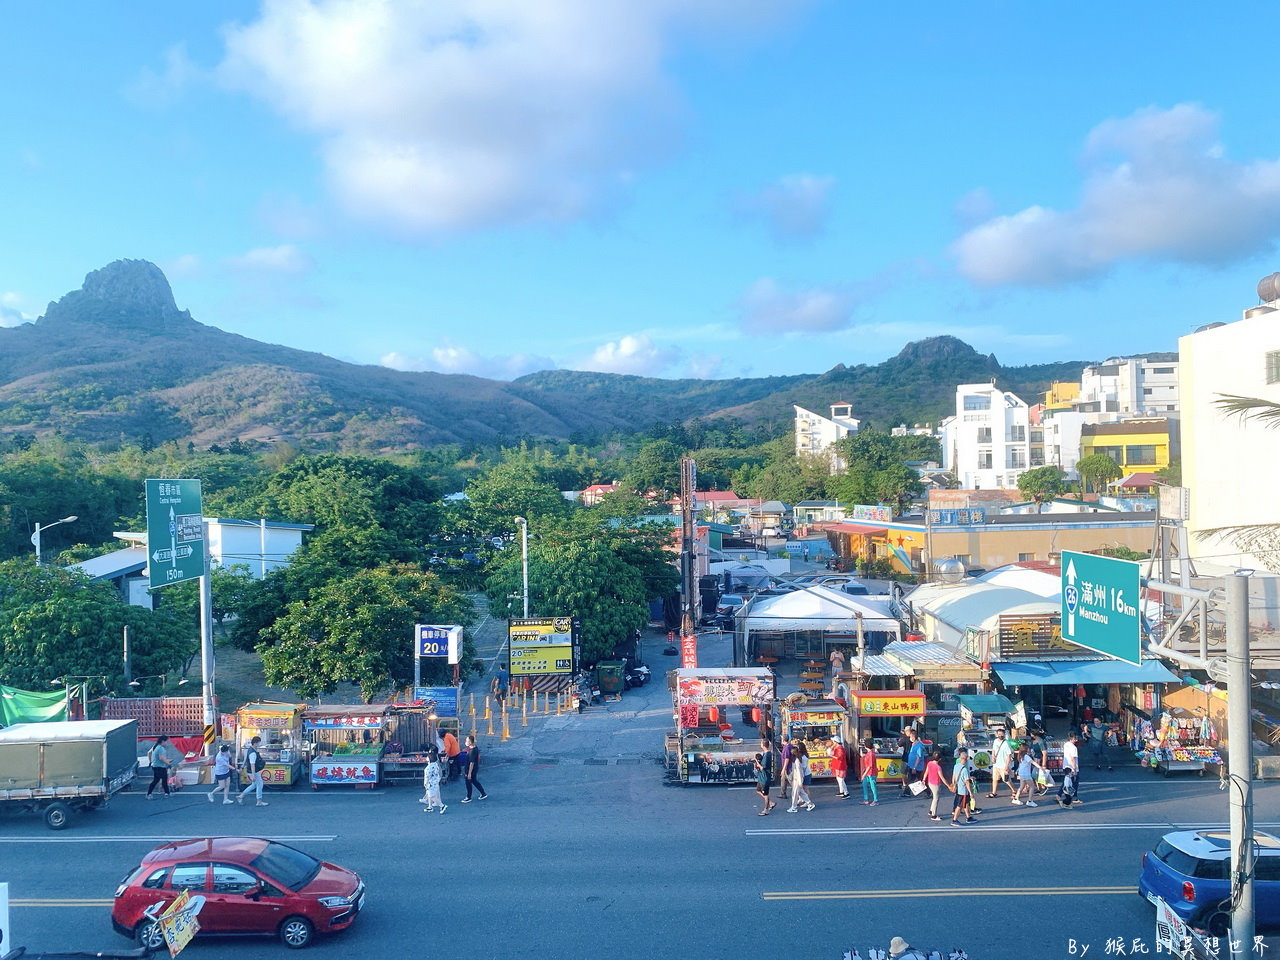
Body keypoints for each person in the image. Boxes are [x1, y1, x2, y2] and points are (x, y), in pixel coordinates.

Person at [237, 736, 268, 807]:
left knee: (254, 785)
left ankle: (241, 796)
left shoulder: (250, 749)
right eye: (259, 742)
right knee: (260, 784)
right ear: (255, 743)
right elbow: (252, 764)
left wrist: (242, 767)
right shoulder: (253, 753)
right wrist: (253, 775)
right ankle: (259, 801)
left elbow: (245, 759)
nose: (260, 744)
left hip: (251, 771)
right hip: (253, 771)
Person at [949, 747, 976, 825]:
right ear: (966, 758)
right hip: (963, 790)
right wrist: (971, 792)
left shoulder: (956, 766)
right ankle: (954, 820)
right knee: (960, 805)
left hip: (958, 788)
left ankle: (968, 817)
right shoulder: (964, 769)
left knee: (966, 803)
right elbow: (967, 782)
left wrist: (953, 784)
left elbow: (954, 776)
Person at [986, 729, 1014, 800]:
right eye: (999, 734)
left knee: (1006, 779)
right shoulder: (995, 741)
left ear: (1004, 734)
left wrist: (1007, 766)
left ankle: (1014, 790)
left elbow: (1009, 755)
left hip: (1003, 764)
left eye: (1002, 734)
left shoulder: (1006, 743)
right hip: (996, 764)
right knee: (994, 779)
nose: (1000, 736)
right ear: (997, 734)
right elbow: (994, 750)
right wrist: (993, 757)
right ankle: (994, 792)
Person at [787, 742, 814, 812]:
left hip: (797, 779)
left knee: (795, 793)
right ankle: (809, 803)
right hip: (797, 779)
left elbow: (799, 771)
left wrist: (799, 781)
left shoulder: (797, 761)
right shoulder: (798, 759)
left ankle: (794, 807)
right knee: (801, 792)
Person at [461, 734, 488, 802]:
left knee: (468, 783)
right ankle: (483, 793)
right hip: (474, 769)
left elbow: (471, 763)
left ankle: (468, 797)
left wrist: (469, 773)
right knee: (474, 781)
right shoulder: (474, 748)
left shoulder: (472, 751)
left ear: (470, 742)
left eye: (467, 741)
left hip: (470, 770)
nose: (465, 742)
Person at [1059, 731, 1082, 808]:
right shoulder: (1074, 748)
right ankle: (1072, 798)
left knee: (1067, 783)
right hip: (1072, 767)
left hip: (1066, 766)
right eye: (1075, 738)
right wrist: (1075, 769)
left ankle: (1060, 794)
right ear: (1072, 738)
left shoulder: (1066, 745)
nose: (1076, 740)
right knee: (1074, 783)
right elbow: (1073, 759)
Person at [923, 749, 946, 821]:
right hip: (936, 784)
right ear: (940, 759)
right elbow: (942, 778)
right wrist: (948, 785)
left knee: (934, 797)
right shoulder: (938, 767)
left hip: (930, 782)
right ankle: (934, 815)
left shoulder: (930, 763)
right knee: (936, 799)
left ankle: (931, 811)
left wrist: (923, 780)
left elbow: (926, 772)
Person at [421, 747, 446, 814]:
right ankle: (430, 806)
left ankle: (442, 805)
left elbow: (427, 777)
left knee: (432, 796)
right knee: (430, 795)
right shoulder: (435, 764)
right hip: (435, 782)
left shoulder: (428, 768)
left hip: (430, 784)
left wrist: (425, 784)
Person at [904, 729, 927, 799]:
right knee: (913, 779)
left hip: (916, 767)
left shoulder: (919, 746)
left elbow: (918, 757)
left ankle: (928, 792)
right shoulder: (914, 744)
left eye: (911, 736)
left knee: (913, 779)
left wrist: (914, 767)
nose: (910, 738)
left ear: (914, 737)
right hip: (911, 765)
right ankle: (906, 792)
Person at [859, 739, 879, 806]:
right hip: (868, 773)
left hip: (871, 773)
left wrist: (864, 774)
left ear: (865, 746)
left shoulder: (870, 754)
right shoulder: (870, 753)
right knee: (865, 785)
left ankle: (876, 800)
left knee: (873, 787)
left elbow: (869, 766)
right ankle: (866, 799)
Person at [778, 735, 793, 801]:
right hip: (787, 767)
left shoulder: (787, 748)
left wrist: (783, 769)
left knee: (791, 782)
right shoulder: (788, 746)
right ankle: (783, 793)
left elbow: (787, 759)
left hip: (787, 767)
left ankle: (799, 795)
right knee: (783, 780)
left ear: (783, 740)